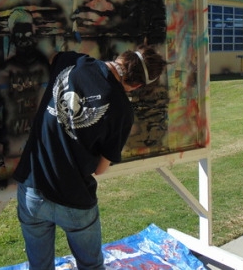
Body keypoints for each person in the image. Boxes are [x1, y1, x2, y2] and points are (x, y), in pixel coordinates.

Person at [13, 44, 167, 270]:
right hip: (75, 198)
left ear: (123, 56)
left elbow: (51, 54)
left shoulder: (73, 62)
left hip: (33, 189)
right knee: (91, 266)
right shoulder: (123, 110)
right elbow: (100, 169)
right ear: (136, 85)